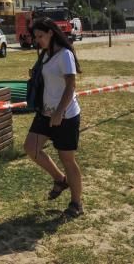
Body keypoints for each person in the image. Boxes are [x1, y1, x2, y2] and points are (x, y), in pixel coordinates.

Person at [23, 17, 84, 219]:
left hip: (65, 115)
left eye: (40, 36)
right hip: (45, 112)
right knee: (31, 148)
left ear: (51, 33)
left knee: (68, 159)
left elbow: (71, 86)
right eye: (36, 37)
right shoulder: (46, 55)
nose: (38, 40)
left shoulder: (65, 54)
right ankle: (60, 179)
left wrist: (59, 112)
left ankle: (76, 203)